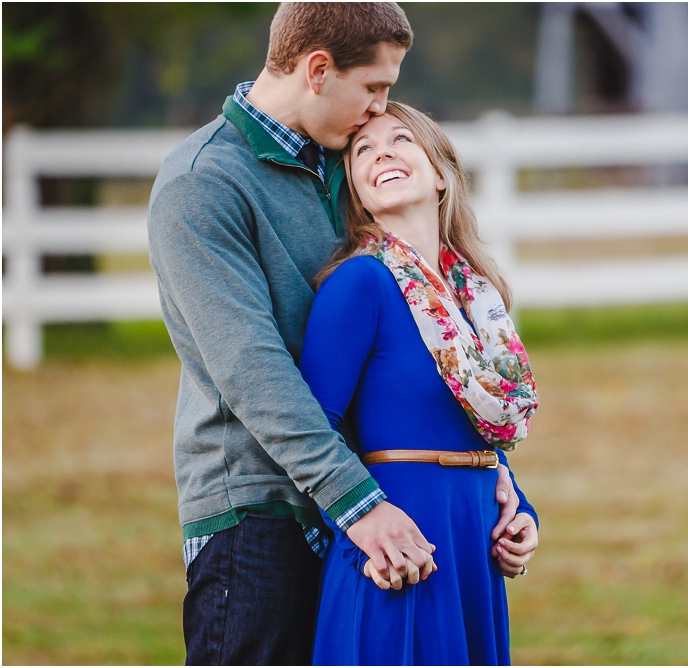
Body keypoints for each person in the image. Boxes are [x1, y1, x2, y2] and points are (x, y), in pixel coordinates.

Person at [147, 4, 536, 664]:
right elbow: (252, 370)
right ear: (319, 70)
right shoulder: (201, 184)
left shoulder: (342, 168)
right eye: (375, 89)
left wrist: (493, 479)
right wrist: (360, 507)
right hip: (259, 511)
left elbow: (414, 368)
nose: (381, 112)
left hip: (372, 505)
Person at [301, 101, 538, 666]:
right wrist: (363, 521)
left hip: (472, 546)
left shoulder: (476, 298)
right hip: (398, 545)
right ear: (356, 191)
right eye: (362, 150)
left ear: (440, 174)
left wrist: (520, 512)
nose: (380, 152)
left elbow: (475, 432)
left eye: (400, 140)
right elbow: (311, 428)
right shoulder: (362, 282)